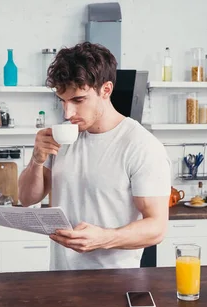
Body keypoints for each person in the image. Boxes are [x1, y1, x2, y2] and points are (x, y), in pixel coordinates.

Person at [18, 42, 171, 271]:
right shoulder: (62, 138)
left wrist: (103, 238)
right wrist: (37, 160)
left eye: (78, 100)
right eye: (62, 101)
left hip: (114, 284)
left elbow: (157, 227)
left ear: (106, 90)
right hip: (60, 278)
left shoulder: (141, 145)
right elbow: (27, 198)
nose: (68, 113)